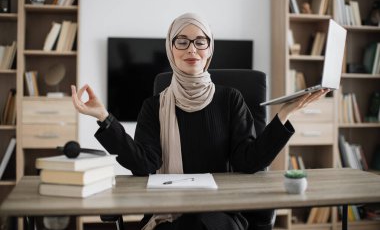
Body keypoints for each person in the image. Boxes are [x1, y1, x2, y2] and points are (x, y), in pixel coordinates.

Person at [71, 13, 328, 230]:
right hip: (168, 214)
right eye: (182, 41)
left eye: (200, 41)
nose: (192, 48)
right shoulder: (153, 106)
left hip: (221, 212)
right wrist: (104, 118)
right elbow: (144, 165)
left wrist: (284, 114)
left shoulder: (231, 99)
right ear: (170, 49)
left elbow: (248, 162)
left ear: (209, 50)